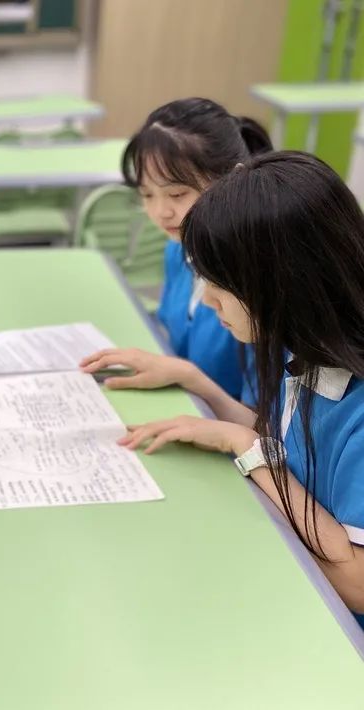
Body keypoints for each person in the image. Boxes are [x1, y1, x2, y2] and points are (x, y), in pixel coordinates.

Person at [116, 152, 364, 629]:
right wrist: (200, 387)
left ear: (286, 281)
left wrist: (251, 449)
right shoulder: (303, 349)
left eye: (221, 283)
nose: (208, 299)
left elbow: (356, 585)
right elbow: (286, 442)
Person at [82, 98, 272, 403]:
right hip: (188, 406)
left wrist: (188, 377)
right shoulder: (178, 249)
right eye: (146, 194)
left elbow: (270, 429)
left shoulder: (258, 276)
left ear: (234, 179)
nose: (160, 212)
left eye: (177, 194)